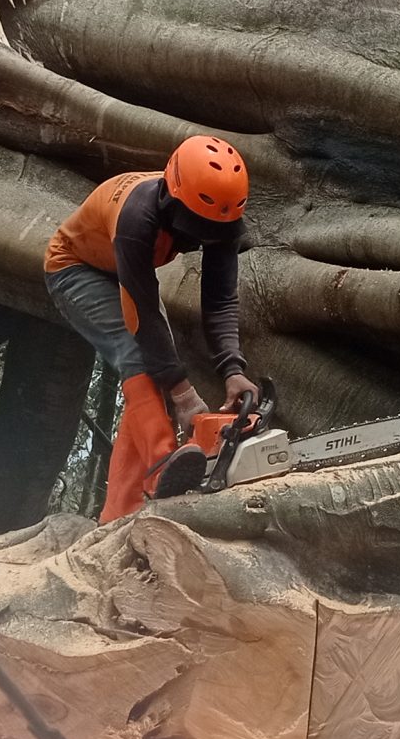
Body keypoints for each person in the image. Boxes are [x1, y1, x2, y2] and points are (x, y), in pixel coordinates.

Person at [45, 136, 259, 522]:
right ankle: (163, 469)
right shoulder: (138, 216)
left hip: (129, 274)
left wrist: (233, 369)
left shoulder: (222, 218)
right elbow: (141, 310)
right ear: (171, 198)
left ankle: (119, 511)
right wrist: (184, 396)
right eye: (196, 227)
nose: (201, 236)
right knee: (141, 360)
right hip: (75, 269)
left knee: (156, 362)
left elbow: (220, 300)